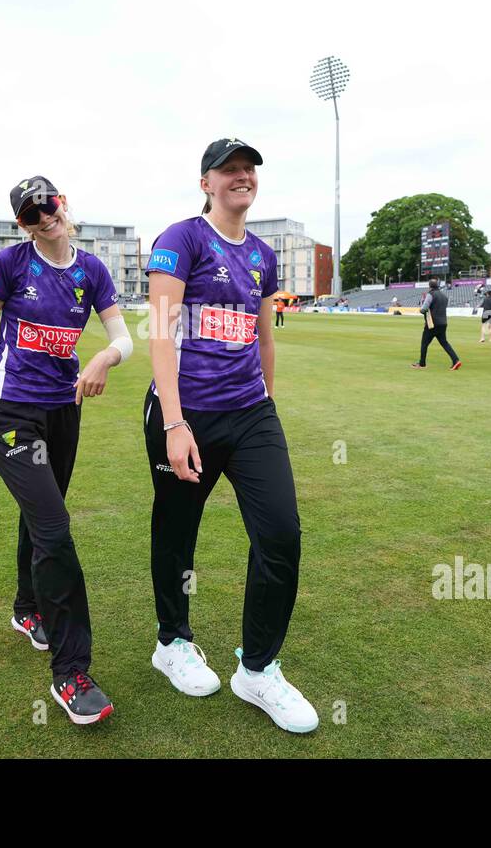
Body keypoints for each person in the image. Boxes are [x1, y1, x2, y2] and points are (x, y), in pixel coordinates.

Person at [0, 175, 131, 727]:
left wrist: (104, 359)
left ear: (62, 204)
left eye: (47, 206)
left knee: (38, 516)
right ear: (20, 225)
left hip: (63, 413)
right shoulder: (11, 263)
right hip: (12, 415)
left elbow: (123, 338)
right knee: (54, 529)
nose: (43, 218)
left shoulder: (91, 270)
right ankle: (72, 672)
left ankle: (27, 611)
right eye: (29, 215)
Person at [144, 137, 317, 734]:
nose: (241, 177)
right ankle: (172, 642)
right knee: (176, 533)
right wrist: (174, 422)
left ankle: (259, 669)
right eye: (229, 170)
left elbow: (264, 336)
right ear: (206, 183)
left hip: (249, 414)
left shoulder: (263, 255)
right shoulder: (181, 240)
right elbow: (161, 334)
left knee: (281, 535)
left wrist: (266, 402)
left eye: (248, 170)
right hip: (185, 411)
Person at [410, 278, 461, 370]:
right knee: (445, 343)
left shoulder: (431, 294)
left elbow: (424, 308)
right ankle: (456, 360)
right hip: (443, 323)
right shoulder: (444, 296)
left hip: (432, 324)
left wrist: (421, 309)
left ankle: (422, 364)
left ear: (430, 286)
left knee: (424, 343)